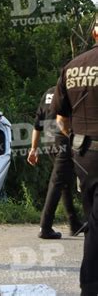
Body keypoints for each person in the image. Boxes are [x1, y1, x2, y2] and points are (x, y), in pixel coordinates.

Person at [52, 16, 98, 296]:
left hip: (82, 154)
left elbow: (61, 119)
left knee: (93, 219)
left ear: (94, 33)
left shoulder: (73, 66)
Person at [28, 87, 83, 239]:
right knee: (57, 182)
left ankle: (74, 224)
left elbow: (37, 124)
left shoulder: (48, 93)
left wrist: (33, 148)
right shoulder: (69, 92)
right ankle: (45, 227)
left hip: (49, 142)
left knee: (65, 181)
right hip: (63, 141)